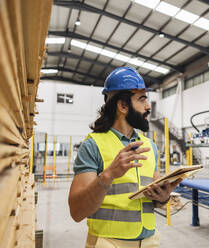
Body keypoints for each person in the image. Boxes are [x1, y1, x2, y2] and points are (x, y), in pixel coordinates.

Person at [68, 67, 182, 248]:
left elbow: (153, 202)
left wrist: (163, 198)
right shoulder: (93, 145)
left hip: (149, 242)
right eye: (142, 99)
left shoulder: (150, 146)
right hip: (108, 243)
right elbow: (77, 211)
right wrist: (108, 175)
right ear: (122, 105)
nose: (148, 106)